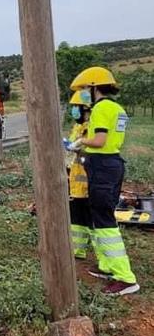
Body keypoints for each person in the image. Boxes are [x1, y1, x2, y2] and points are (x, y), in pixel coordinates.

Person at [69, 66, 139, 296]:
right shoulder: (117, 108)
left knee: (104, 220)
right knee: (102, 216)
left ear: (93, 86)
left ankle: (125, 277)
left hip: (101, 165)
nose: (84, 94)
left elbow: (99, 140)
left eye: (85, 89)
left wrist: (81, 141)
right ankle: (108, 267)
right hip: (113, 164)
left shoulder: (100, 109)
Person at [64, 90, 93, 259]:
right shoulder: (77, 127)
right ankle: (78, 250)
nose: (74, 110)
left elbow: (91, 151)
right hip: (74, 177)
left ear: (86, 109)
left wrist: (77, 149)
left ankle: (102, 255)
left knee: (91, 218)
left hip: (87, 178)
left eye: (77, 107)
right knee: (76, 216)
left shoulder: (91, 128)